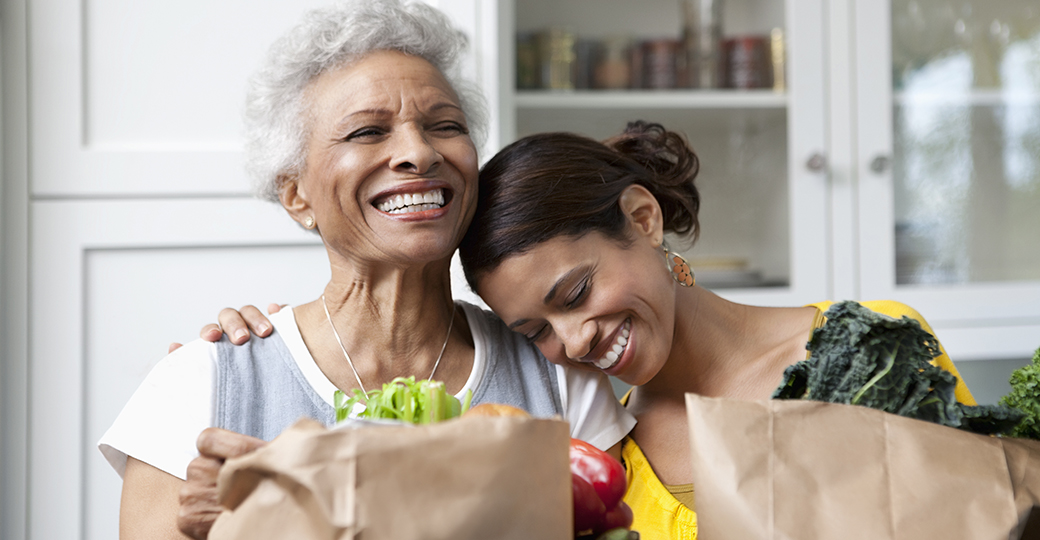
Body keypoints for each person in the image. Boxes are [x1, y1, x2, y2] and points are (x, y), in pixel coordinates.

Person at [208, 121, 976, 540]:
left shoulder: (872, 346)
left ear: (643, 220)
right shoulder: (601, 452)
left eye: (576, 292)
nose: (573, 342)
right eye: (535, 329)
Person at [98, 2, 634, 539]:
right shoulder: (198, 385)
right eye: (366, 133)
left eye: (445, 125)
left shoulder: (561, 375)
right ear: (296, 195)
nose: (419, 152)